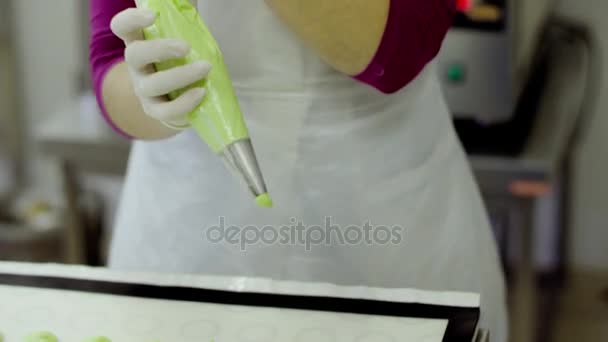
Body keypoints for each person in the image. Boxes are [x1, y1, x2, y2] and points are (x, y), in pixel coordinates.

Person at [90, 0, 507, 339]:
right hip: (191, 216)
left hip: (379, 210)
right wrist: (152, 98)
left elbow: (396, 51)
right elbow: (110, 57)